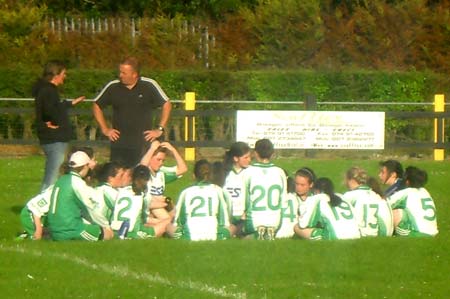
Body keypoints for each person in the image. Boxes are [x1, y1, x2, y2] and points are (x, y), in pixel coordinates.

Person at [92, 56, 172, 167]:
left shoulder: (149, 85)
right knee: (117, 178)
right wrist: (105, 129)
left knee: (140, 178)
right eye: (120, 72)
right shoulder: (113, 86)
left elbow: (167, 104)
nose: (120, 75)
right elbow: (96, 105)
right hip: (119, 145)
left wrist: (159, 129)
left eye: (124, 73)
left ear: (134, 74)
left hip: (142, 145)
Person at [32, 60, 85, 191]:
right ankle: (40, 207)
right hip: (54, 138)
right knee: (52, 176)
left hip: (52, 137)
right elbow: (49, 111)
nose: (65, 76)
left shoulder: (47, 90)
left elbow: (54, 108)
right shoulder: (49, 91)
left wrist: (70, 103)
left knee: (52, 174)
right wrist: (51, 122)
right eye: (63, 73)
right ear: (56, 74)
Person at [47, 151, 113, 241]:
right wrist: (105, 225)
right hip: (70, 230)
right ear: (85, 166)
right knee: (108, 234)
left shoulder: (61, 180)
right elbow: (91, 207)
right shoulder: (77, 183)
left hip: (54, 230)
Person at [168, 159, 231, 241]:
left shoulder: (186, 192)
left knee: (168, 227)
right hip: (215, 235)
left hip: (189, 235)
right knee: (232, 227)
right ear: (211, 175)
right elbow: (223, 221)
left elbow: (180, 221)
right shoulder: (218, 191)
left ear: (193, 176)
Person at [242, 139, 287, 240]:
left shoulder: (248, 172)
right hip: (276, 220)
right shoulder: (280, 172)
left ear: (255, 153)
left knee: (239, 232)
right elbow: (283, 202)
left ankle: (257, 233)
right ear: (272, 154)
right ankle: (269, 230)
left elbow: (244, 199)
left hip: (253, 220)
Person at [110, 165, 169, 239]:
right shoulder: (143, 195)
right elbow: (144, 220)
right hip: (132, 232)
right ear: (148, 180)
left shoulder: (121, 191)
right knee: (169, 221)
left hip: (114, 231)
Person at [294, 177, 361, 240]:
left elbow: (303, 224)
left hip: (336, 236)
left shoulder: (318, 198)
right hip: (355, 234)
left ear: (317, 190)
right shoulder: (342, 197)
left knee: (297, 227)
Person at [140, 140, 188, 222]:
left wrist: (173, 150)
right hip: (146, 206)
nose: (161, 163)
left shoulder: (161, 173)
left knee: (177, 217)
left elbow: (183, 169)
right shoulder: (143, 173)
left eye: (163, 160)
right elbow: (142, 166)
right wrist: (152, 149)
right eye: (158, 159)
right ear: (150, 158)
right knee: (167, 220)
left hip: (159, 205)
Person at [342, 167, 394, 237]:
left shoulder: (349, 196)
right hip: (377, 237)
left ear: (351, 180)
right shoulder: (377, 196)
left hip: (359, 237)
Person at [387, 166, 438, 237]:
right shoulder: (425, 192)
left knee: (394, 212)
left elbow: (385, 204)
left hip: (417, 233)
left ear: (407, 181)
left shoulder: (406, 192)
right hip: (433, 233)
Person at [276, 167, 316, 239]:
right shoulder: (291, 197)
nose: (298, 187)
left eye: (302, 185)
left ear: (311, 184)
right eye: (297, 184)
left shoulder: (315, 200)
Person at [222, 142, 252, 236]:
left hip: (244, 218)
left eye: (249, 157)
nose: (249, 160)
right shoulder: (224, 174)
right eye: (246, 157)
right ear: (235, 158)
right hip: (226, 218)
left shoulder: (251, 172)